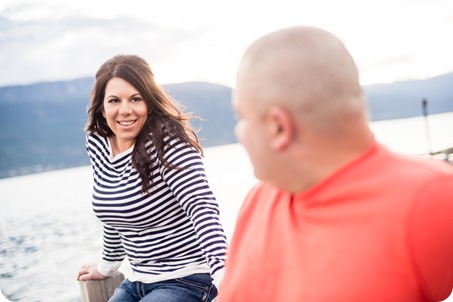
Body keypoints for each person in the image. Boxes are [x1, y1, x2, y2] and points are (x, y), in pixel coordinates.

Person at [218, 26, 453, 302]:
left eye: (242, 117)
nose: (239, 132)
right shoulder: (258, 200)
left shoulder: (431, 199)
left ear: (279, 127)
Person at [77, 54, 228, 302]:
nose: (125, 110)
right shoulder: (97, 142)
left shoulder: (169, 142)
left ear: (149, 101)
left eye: (135, 99)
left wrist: (223, 272)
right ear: (102, 108)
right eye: (114, 100)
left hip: (188, 280)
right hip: (138, 281)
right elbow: (114, 209)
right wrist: (107, 267)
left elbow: (201, 207)